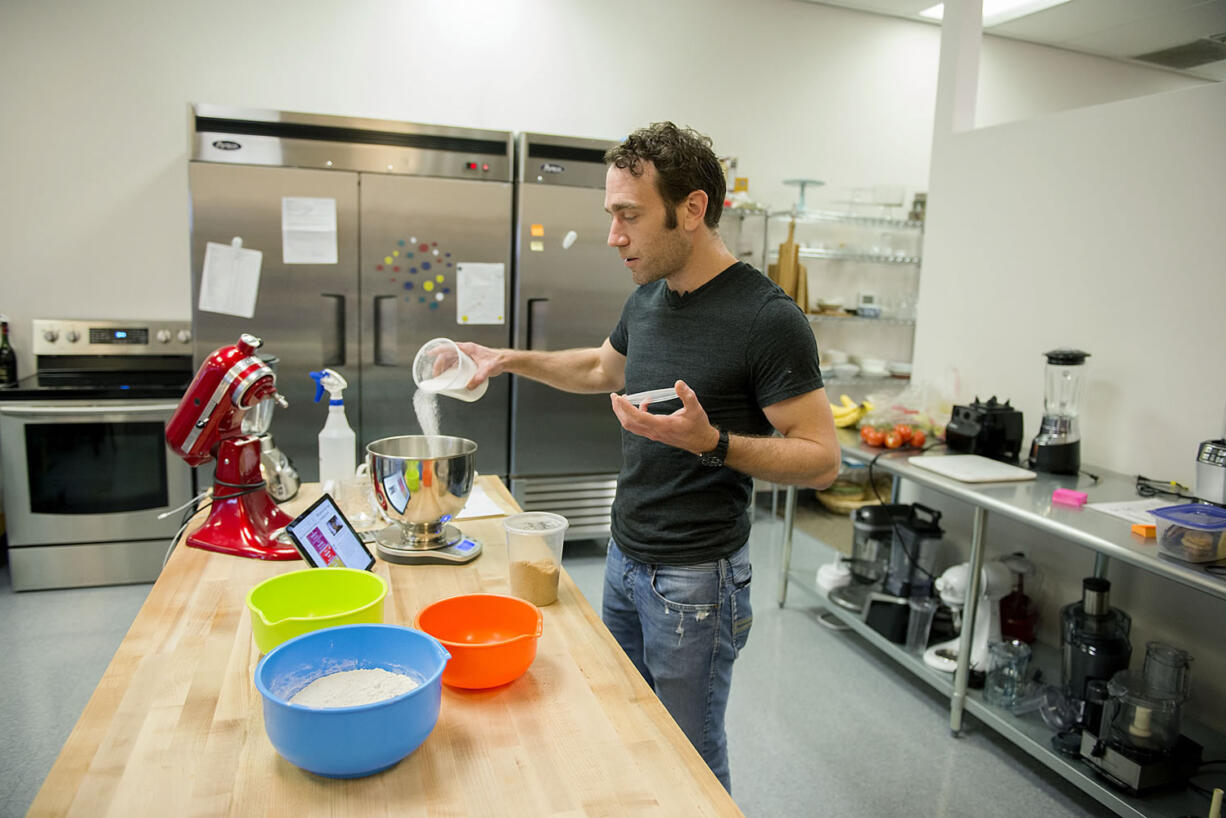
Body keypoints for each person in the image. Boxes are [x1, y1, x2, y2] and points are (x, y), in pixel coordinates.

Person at [458, 122, 840, 790]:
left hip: (697, 579)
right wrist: (506, 360)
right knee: (627, 724)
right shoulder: (648, 298)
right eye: (612, 215)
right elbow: (600, 369)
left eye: (629, 216)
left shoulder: (768, 319)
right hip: (625, 557)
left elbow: (821, 459)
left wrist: (713, 443)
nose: (614, 236)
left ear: (691, 209)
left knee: (689, 754)